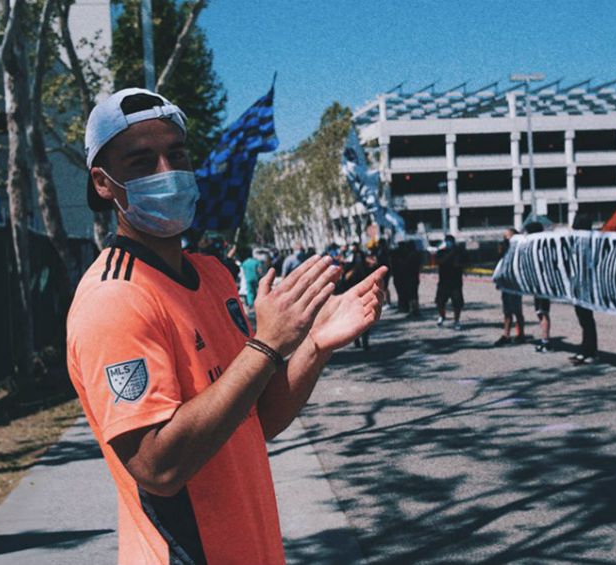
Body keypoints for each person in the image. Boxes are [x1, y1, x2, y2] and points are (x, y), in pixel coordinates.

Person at [67, 87, 387, 565]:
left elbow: (260, 418)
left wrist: (315, 344)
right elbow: (158, 467)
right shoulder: (114, 299)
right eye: (141, 161)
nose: (167, 173)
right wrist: (266, 344)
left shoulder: (213, 273)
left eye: (176, 155)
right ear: (103, 183)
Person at [569, 212, 598, 365]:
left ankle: (590, 351)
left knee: (587, 320)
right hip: (578, 284)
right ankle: (585, 349)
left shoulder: (592, 239)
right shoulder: (577, 239)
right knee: (583, 319)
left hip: (587, 285)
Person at [524, 222, 553, 351]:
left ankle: (545, 341)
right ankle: (544, 338)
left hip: (543, 284)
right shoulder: (542, 245)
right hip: (538, 284)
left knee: (543, 312)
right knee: (540, 312)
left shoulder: (540, 246)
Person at [495, 228, 526, 346]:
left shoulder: (520, 247)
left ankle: (520, 333)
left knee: (517, 310)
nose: (506, 239)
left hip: (515, 284)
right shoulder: (504, 247)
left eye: (508, 236)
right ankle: (506, 334)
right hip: (506, 283)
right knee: (507, 311)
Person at [435, 234, 465, 330]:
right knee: (440, 301)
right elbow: (440, 261)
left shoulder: (459, 252)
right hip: (444, 281)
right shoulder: (441, 252)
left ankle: (456, 320)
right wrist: (451, 253)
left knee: (457, 303)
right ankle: (442, 316)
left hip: (456, 282)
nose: (449, 243)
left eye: (450, 241)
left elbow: (464, 262)